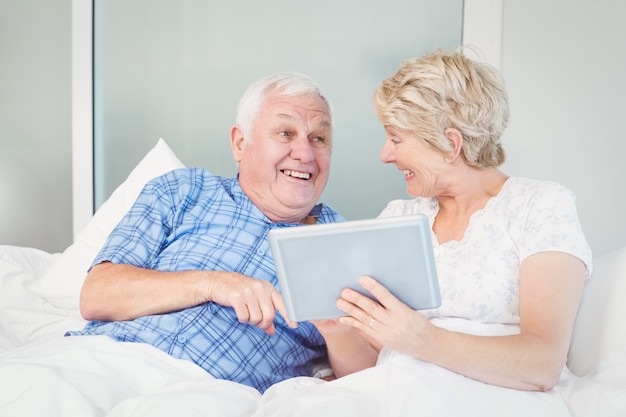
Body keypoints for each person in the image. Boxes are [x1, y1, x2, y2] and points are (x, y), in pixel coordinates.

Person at [310, 48, 592, 396]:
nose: (385, 155)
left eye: (396, 139)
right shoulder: (398, 217)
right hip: (392, 394)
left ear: (450, 143)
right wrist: (337, 332)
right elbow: (367, 370)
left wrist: (426, 341)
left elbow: (542, 364)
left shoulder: (540, 206)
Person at [65, 71, 347, 393]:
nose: (306, 154)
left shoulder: (342, 241)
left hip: (212, 393)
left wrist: (340, 333)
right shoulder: (183, 190)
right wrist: (213, 283)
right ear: (240, 143)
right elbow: (97, 294)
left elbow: (367, 372)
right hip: (101, 358)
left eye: (319, 139)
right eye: (285, 133)